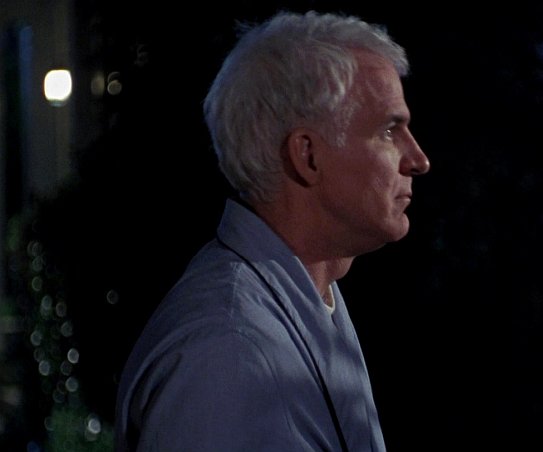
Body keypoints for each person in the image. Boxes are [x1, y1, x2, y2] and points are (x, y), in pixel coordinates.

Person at [114, 10, 430, 451]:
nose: (418, 160)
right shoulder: (226, 354)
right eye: (389, 130)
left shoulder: (304, 301)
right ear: (308, 156)